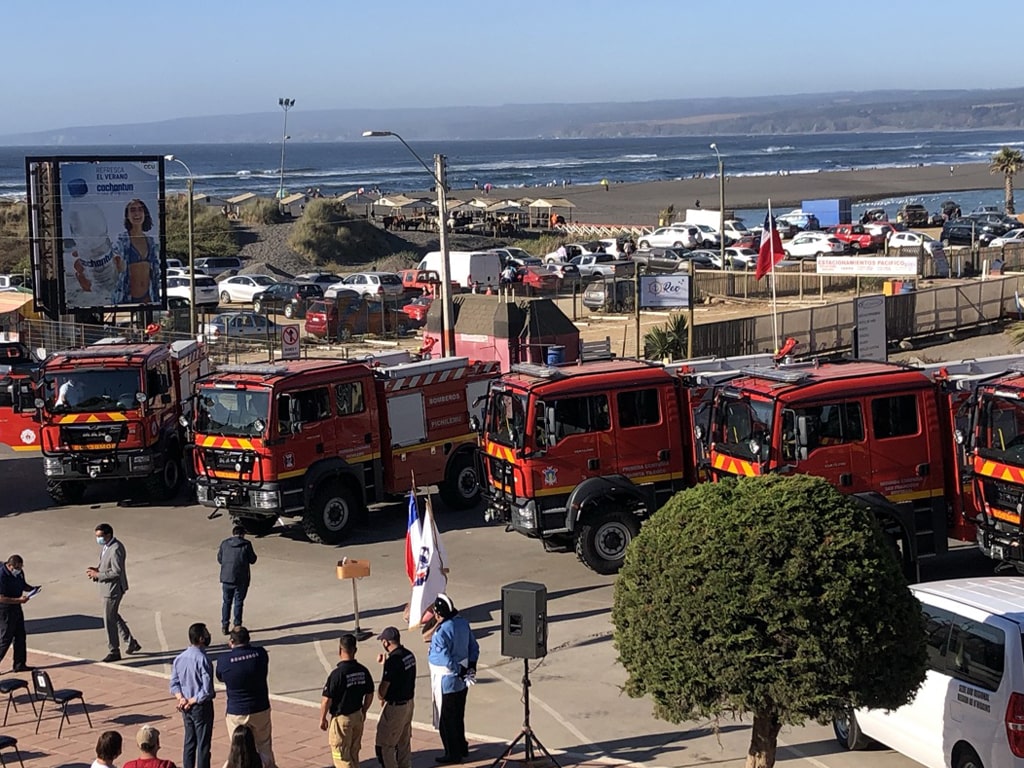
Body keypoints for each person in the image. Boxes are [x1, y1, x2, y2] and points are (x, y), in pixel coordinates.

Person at [427, 594, 479, 764]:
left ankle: (452, 753)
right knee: (458, 714)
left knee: (446, 719)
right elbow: (474, 647)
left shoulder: (441, 633)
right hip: (463, 678)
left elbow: (444, 658)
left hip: (446, 679)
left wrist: (460, 670)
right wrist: (471, 667)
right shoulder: (463, 623)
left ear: (438, 613)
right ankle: (462, 747)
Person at [216, 627, 275, 768]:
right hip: (260, 708)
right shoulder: (260, 654)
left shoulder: (224, 660)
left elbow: (220, 677)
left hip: (236, 711)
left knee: (237, 746)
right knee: (264, 745)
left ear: (231, 641)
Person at [85, 523, 141, 662]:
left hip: (112, 590)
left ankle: (114, 650)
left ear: (108, 535)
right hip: (107, 588)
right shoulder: (107, 546)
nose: (98, 539)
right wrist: (97, 570)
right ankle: (130, 642)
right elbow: (105, 565)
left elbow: (116, 572)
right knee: (113, 616)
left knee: (109, 619)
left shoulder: (115, 548)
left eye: (100, 536)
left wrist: (98, 575)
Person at [319, 633, 374, 768]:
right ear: (355, 650)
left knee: (341, 756)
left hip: (341, 720)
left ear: (340, 650)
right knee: (354, 753)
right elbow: (370, 693)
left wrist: (323, 718)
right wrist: (364, 710)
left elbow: (326, 700)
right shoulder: (363, 671)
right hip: (357, 716)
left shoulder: (337, 674)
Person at [170, 623, 215, 768]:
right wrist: (191, 700)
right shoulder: (203, 660)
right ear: (201, 638)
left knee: (189, 742)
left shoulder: (179, 658)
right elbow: (206, 690)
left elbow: (174, 684)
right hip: (200, 706)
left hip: (185, 707)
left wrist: (181, 699)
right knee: (203, 744)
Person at [375, 627, 417, 768]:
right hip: (409, 704)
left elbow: (383, 689)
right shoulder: (409, 655)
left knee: (385, 746)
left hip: (395, 708)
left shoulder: (394, 661)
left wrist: (380, 695)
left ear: (386, 642)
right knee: (404, 743)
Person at [113, 198, 161, 305]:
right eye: (133, 210)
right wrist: (118, 263)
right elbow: (116, 257)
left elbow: (155, 271)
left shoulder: (150, 241)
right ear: (127, 215)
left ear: (145, 213)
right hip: (127, 296)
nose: (137, 213)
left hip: (148, 296)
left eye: (140, 209)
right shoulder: (122, 239)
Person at [0, 554, 38, 672]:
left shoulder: (19, 573)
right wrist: (19, 600)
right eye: (17, 568)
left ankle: (19, 664)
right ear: (10, 566)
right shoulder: (2, 575)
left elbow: (23, 585)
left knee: (20, 636)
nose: (19, 570)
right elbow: (1, 598)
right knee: (5, 639)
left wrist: (32, 589)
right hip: (5, 609)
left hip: (16, 608)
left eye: (21, 567)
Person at [217, 526, 258, 635]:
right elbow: (253, 559)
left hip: (226, 578)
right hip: (241, 579)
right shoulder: (246, 544)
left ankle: (224, 625)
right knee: (238, 602)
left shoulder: (224, 543)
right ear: (243, 534)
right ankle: (237, 626)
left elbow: (220, 559)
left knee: (226, 602)